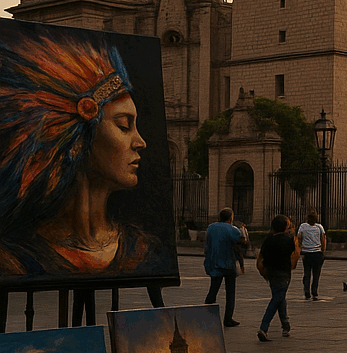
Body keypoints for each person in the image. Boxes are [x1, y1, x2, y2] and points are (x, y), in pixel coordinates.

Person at [0, 28, 169, 278]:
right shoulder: (15, 260)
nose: (141, 142)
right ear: (79, 139)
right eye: (124, 126)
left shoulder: (144, 249)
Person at [256, 214, 299, 342]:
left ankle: (286, 325)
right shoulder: (289, 240)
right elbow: (296, 254)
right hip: (284, 273)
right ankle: (264, 328)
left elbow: (261, 257)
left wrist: (263, 271)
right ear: (286, 226)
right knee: (277, 299)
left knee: (280, 297)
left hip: (271, 272)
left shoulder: (268, 240)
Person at [204, 208, 242, 327]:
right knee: (230, 292)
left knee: (213, 290)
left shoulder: (211, 227)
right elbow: (239, 242)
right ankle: (228, 318)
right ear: (230, 218)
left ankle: (207, 315)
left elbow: (207, 244)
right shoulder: (233, 229)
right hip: (228, 263)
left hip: (214, 262)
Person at [297, 210, 326, 300]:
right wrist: (323, 250)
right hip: (317, 253)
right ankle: (314, 291)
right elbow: (323, 238)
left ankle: (306, 291)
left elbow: (299, 238)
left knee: (307, 273)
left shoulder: (303, 226)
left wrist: (301, 247)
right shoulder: (319, 227)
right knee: (316, 274)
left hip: (306, 253)